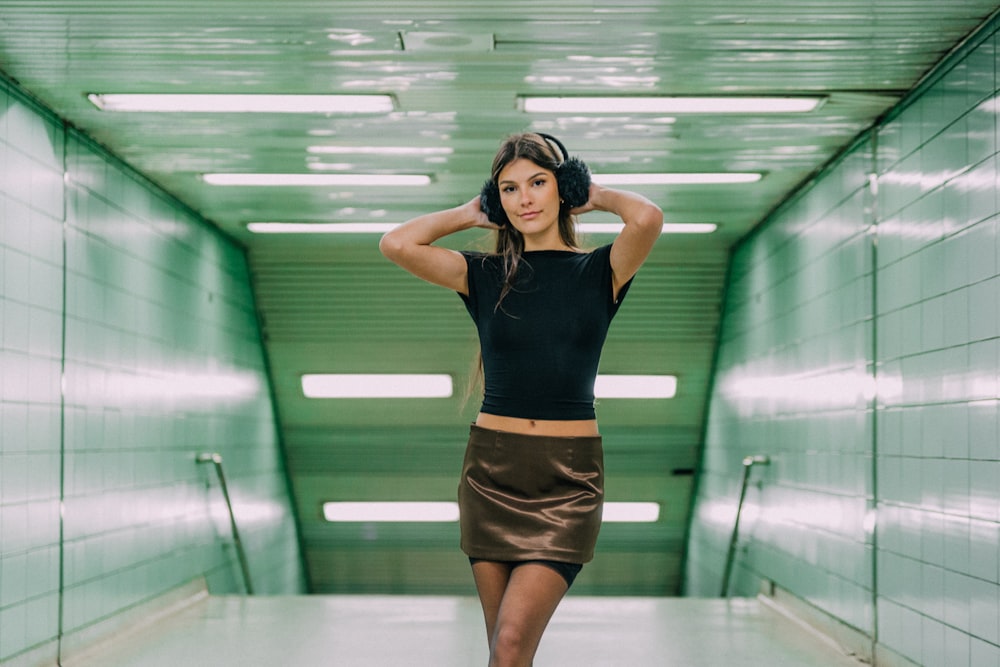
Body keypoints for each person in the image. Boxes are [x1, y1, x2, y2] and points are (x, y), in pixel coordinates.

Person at [379, 132, 662, 667]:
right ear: (497, 201)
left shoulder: (600, 271)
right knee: (504, 652)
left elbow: (646, 218)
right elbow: (396, 244)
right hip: (492, 473)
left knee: (510, 644)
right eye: (508, 189)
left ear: (563, 189)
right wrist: (469, 212)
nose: (524, 199)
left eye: (538, 182)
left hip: (568, 482)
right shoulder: (484, 275)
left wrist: (593, 192)